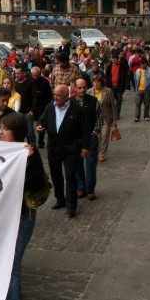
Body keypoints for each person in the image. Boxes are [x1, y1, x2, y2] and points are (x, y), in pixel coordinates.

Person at [0, 112, 49, 300]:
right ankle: (3, 296)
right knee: (3, 261)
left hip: (22, 216)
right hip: (1, 216)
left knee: (12, 262)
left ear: (15, 132)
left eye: (4, 129)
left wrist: (25, 161)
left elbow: (37, 183)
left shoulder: (29, 153)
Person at [36, 84, 89, 219]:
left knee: (70, 177)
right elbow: (42, 121)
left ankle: (72, 206)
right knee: (56, 175)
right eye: (54, 94)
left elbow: (85, 129)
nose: (56, 97)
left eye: (58, 95)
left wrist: (85, 146)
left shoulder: (76, 109)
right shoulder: (50, 107)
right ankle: (60, 200)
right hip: (54, 148)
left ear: (66, 96)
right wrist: (40, 127)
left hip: (71, 149)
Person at [72, 79, 103, 201]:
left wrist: (95, 132)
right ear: (74, 88)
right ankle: (81, 187)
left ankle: (90, 189)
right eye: (79, 88)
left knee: (90, 164)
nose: (82, 90)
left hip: (90, 137)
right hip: (75, 138)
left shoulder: (94, 101)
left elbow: (100, 117)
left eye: (84, 87)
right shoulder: (70, 102)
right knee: (77, 164)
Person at [87, 75, 117, 162]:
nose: (96, 84)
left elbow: (113, 106)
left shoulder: (108, 91)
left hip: (105, 118)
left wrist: (114, 119)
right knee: (94, 136)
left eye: (98, 82)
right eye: (94, 82)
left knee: (104, 136)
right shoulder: (89, 91)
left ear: (101, 83)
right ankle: (94, 152)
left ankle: (102, 154)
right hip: (93, 119)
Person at [104, 54, 128, 118]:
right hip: (111, 87)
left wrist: (123, 87)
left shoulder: (122, 67)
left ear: (118, 59)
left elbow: (125, 78)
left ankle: (117, 115)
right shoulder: (109, 66)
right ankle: (111, 114)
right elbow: (107, 77)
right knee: (110, 102)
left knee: (119, 101)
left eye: (115, 60)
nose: (113, 61)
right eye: (112, 60)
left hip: (119, 87)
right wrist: (107, 86)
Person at [133, 58, 150, 122]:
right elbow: (135, 80)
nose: (143, 65)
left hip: (147, 90)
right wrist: (136, 88)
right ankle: (137, 117)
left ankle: (146, 116)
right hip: (139, 90)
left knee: (147, 103)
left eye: (144, 64)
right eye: (141, 64)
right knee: (137, 104)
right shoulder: (137, 71)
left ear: (146, 63)